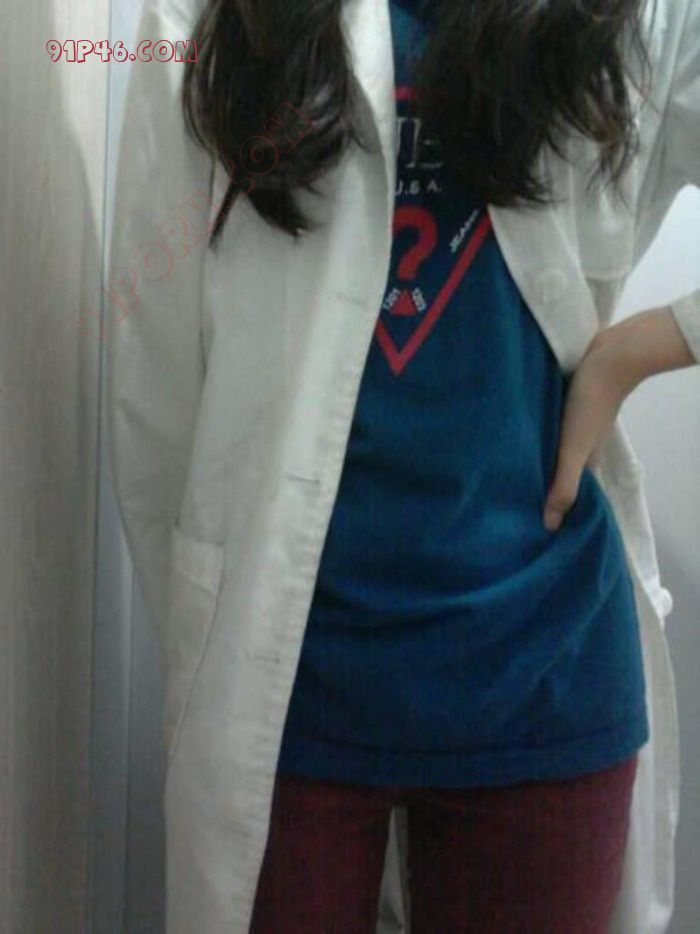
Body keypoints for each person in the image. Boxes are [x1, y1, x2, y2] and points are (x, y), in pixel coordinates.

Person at [106, 0, 699, 930]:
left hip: (544, 677)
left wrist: (647, 345)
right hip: (288, 692)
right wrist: (210, 622)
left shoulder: (638, 17)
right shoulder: (208, 14)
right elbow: (156, 378)